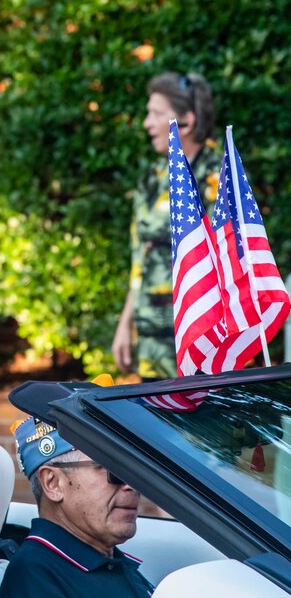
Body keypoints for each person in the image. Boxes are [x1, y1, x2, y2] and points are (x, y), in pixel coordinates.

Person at [112, 72, 221, 379]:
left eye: (157, 114)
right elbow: (140, 257)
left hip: (200, 336)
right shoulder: (152, 177)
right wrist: (126, 324)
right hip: (151, 339)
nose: (147, 123)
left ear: (186, 121)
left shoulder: (217, 176)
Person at [0, 416, 154, 598]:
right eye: (111, 470)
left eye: (132, 472)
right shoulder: (36, 577)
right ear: (53, 483)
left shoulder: (112, 563)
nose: (131, 485)